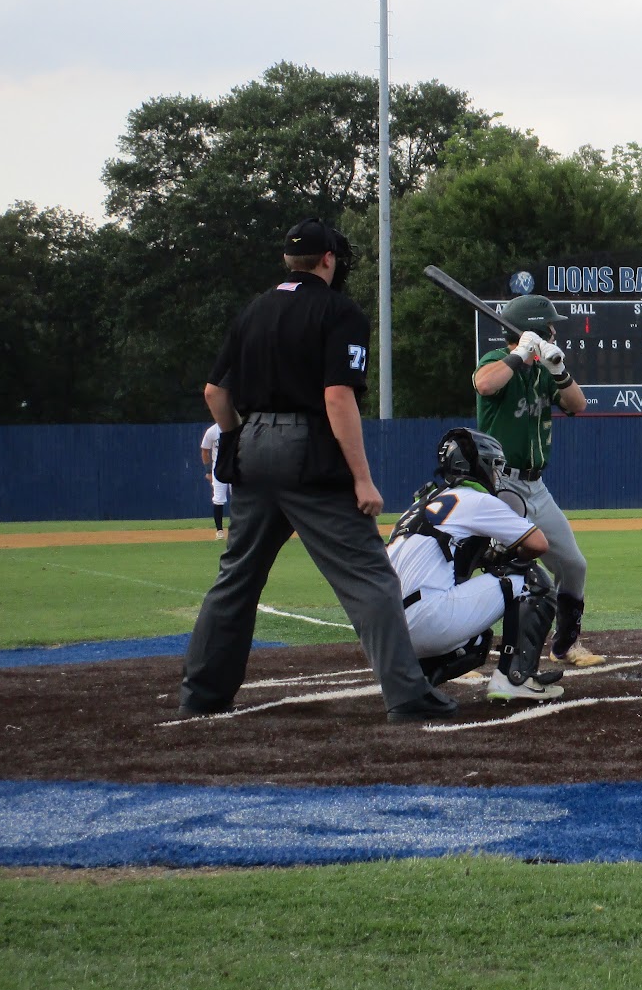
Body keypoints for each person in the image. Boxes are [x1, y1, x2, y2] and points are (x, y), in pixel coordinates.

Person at [181, 219, 455, 722]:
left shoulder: (254, 309)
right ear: (328, 258)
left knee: (237, 577)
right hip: (307, 449)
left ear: (288, 260)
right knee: (370, 577)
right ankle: (407, 695)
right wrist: (362, 478)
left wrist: (240, 438)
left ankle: (201, 694)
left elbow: (214, 392)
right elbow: (336, 396)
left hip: (252, 446)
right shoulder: (338, 310)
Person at [387, 428, 566, 703]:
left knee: (477, 642)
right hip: (427, 620)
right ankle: (516, 679)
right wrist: (504, 557)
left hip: (386, 634)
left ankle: (413, 682)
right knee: (531, 580)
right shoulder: (475, 499)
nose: (496, 474)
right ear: (478, 465)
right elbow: (538, 544)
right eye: (494, 466)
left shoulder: (421, 503)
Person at [473, 294, 603, 666]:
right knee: (495, 568)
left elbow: (577, 404)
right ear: (533, 330)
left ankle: (565, 645)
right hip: (500, 486)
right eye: (549, 327)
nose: (554, 332)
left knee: (573, 565)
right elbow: (485, 385)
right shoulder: (496, 361)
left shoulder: (544, 370)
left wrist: (558, 369)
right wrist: (519, 354)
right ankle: (461, 650)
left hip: (536, 487)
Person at [199, 422, 231, 539]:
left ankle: (237, 528)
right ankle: (219, 530)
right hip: (219, 469)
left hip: (234, 467)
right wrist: (208, 471)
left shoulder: (236, 427)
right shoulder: (212, 431)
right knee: (218, 499)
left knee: (238, 498)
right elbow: (204, 450)